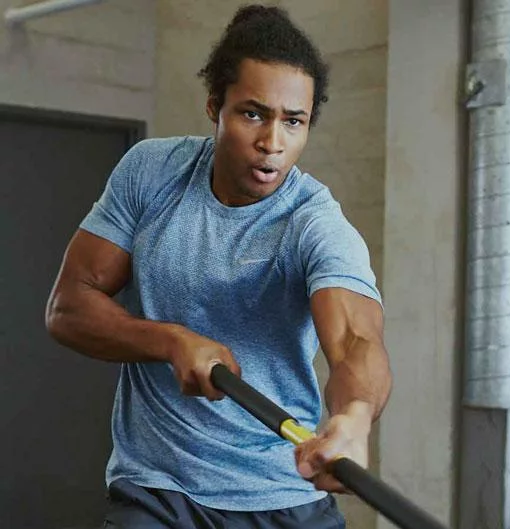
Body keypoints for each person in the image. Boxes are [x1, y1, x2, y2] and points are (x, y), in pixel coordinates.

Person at [44, 4, 391, 527]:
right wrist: (170, 341)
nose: (272, 143)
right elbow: (68, 307)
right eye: (253, 114)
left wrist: (355, 418)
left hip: (279, 493)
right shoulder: (152, 173)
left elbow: (356, 341)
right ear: (215, 107)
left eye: (293, 121)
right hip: (160, 491)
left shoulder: (314, 223)